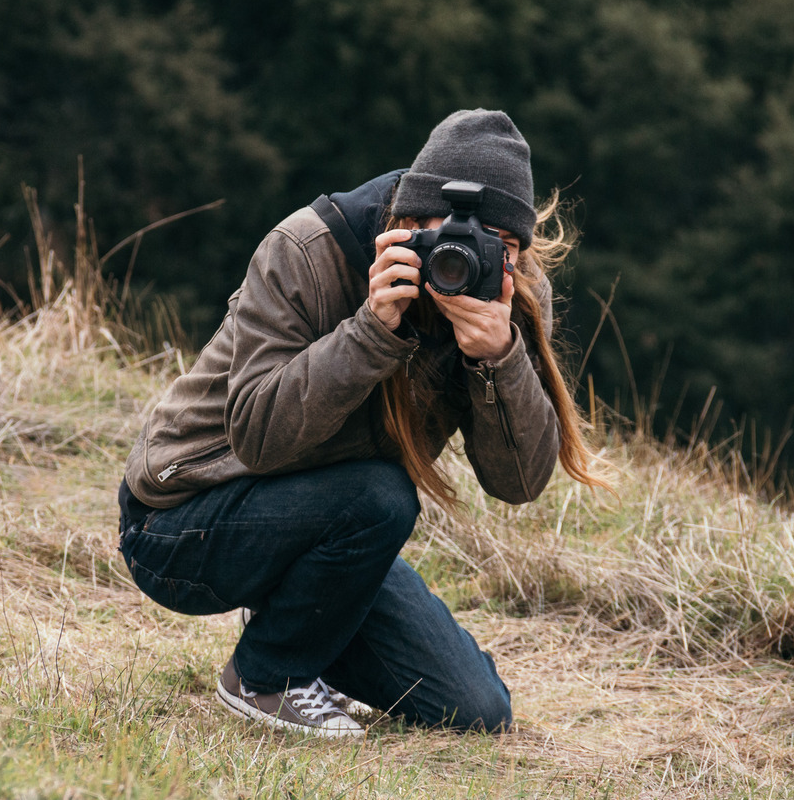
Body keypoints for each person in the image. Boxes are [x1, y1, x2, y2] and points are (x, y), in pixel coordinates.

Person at [117, 109, 605, 737]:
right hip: (180, 520)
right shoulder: (308, 251)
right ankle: (266, 678)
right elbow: (259, 439)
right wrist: (372, 331)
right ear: (411, 221)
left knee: (477, 711)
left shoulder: (505, 294)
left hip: (333, 526)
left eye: (500, 245)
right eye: (453, 232)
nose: (466, 257)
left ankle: (298, 614)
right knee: (381, 495)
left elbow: (518, 482)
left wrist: (497, 359)